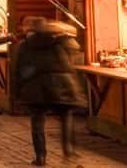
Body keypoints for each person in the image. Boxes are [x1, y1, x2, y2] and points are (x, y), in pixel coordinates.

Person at [15, 18, 86, 166]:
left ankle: (40, 157)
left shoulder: (25, 45)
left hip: (36, 87)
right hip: (62, 85)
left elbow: (19, 69)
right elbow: (76, 48)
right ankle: (69, 153)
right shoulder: (61, 41)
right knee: (66, 117)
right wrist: (62, 30)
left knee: (37, 121)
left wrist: (19, 89)